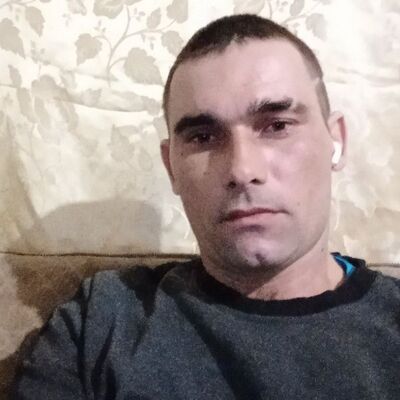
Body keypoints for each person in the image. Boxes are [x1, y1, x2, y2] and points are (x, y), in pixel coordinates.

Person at [13, 14, 400, 400]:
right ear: (171, 168)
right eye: (202, 137)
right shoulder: (103, 318)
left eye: (277, 125)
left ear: (336, 142)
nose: (242, 170)